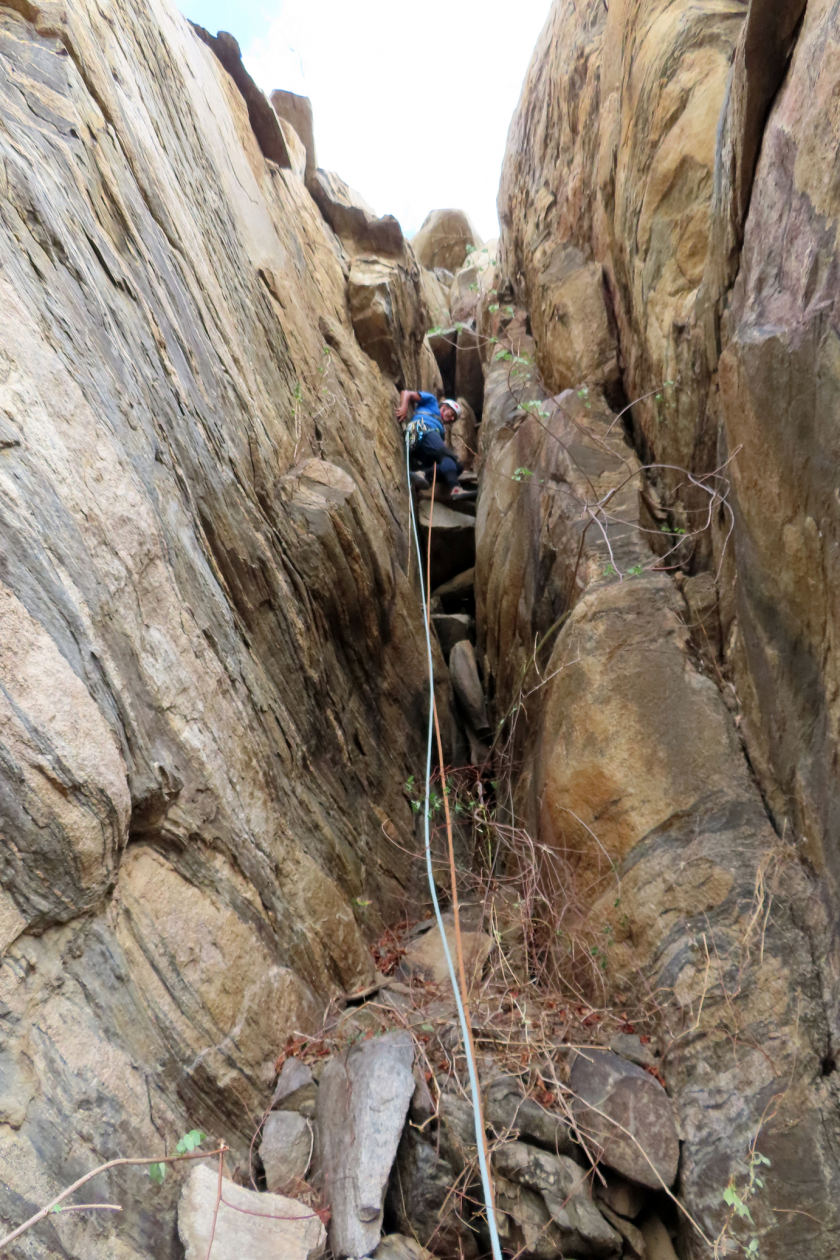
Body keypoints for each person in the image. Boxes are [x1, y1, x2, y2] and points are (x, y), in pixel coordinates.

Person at [395, 390, 474, 499]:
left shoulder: (440, 432)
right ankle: (451, 486)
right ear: (445, 407)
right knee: (449, 457)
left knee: (457, 466)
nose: (451, 419)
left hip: (423, 448)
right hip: (421, 430)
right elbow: (406, 393)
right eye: (452, 414)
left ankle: (426, 474)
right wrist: (404, 408)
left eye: (453, 419)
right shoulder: (431, 402)